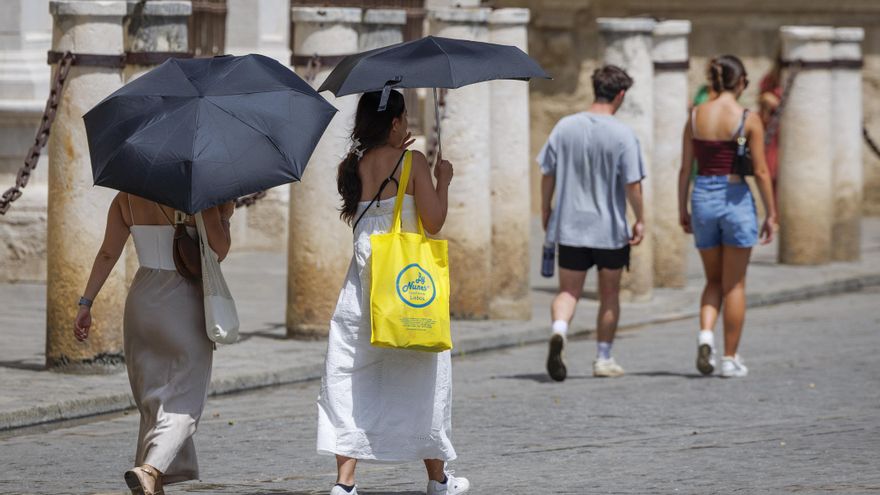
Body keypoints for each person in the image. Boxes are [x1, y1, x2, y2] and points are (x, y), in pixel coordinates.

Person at [317, 89, 468, 495]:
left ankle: (345, 483)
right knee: (422, 373)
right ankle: (438, 479)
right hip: (405, 284)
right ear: (396, 123)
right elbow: (433, 222)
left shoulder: (352, 165)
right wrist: (443, 181)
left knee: (350, 371)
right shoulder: (413, 162)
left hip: (364, 285)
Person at [73, 193, 233, 494]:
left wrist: (86, 303)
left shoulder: (125, 199)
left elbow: (108, 253)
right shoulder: (199, 196)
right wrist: (224, 216)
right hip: (183, 302)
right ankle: (149, 469)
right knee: (185, 401)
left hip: (141, 301)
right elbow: (219, 250)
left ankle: (152, 485)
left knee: (152, 402)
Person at [540, 65, 646, 382]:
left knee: (568, 291)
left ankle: (559, 330)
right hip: (610, 230)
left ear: (594, 88)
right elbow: (632, 186)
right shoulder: (624, 134)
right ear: (621, 95)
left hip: (571, 225)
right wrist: (640, 219)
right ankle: (603, 357)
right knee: (609, 294)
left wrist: (546, 209)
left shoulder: (564, 127)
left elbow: (547, 173)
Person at [679, 55, 778, 378]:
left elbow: (685, 168)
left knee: (712, 280)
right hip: (735, 197)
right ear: (741, 83)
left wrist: (683, 208)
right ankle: (729, 358)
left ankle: (705, 336)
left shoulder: (695, 116)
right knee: (734, 284)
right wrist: (771, 212)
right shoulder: (748, 119)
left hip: (703, 196)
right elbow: (761, 170)